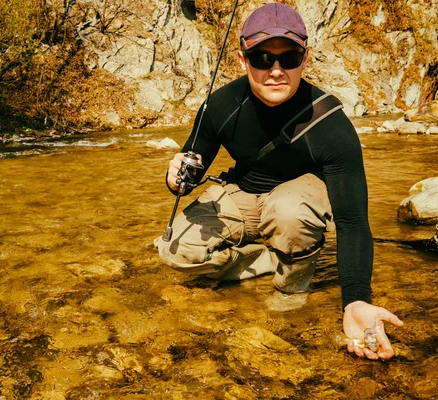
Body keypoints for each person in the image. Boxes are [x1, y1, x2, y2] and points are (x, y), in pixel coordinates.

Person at [155, 2, 404, 360]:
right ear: (242, 60)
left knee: (287, 210)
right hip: (244, 194)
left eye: (288, 58)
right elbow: (188, 172)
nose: (275, 70)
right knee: (173, 251)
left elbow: (352, 222)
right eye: (261, 58)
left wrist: (355, 300)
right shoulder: (219, 106)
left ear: (305, 59)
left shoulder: (331, 124)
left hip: (297, 205)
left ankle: (293, 284)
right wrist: (174, 179)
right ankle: (269, 258)